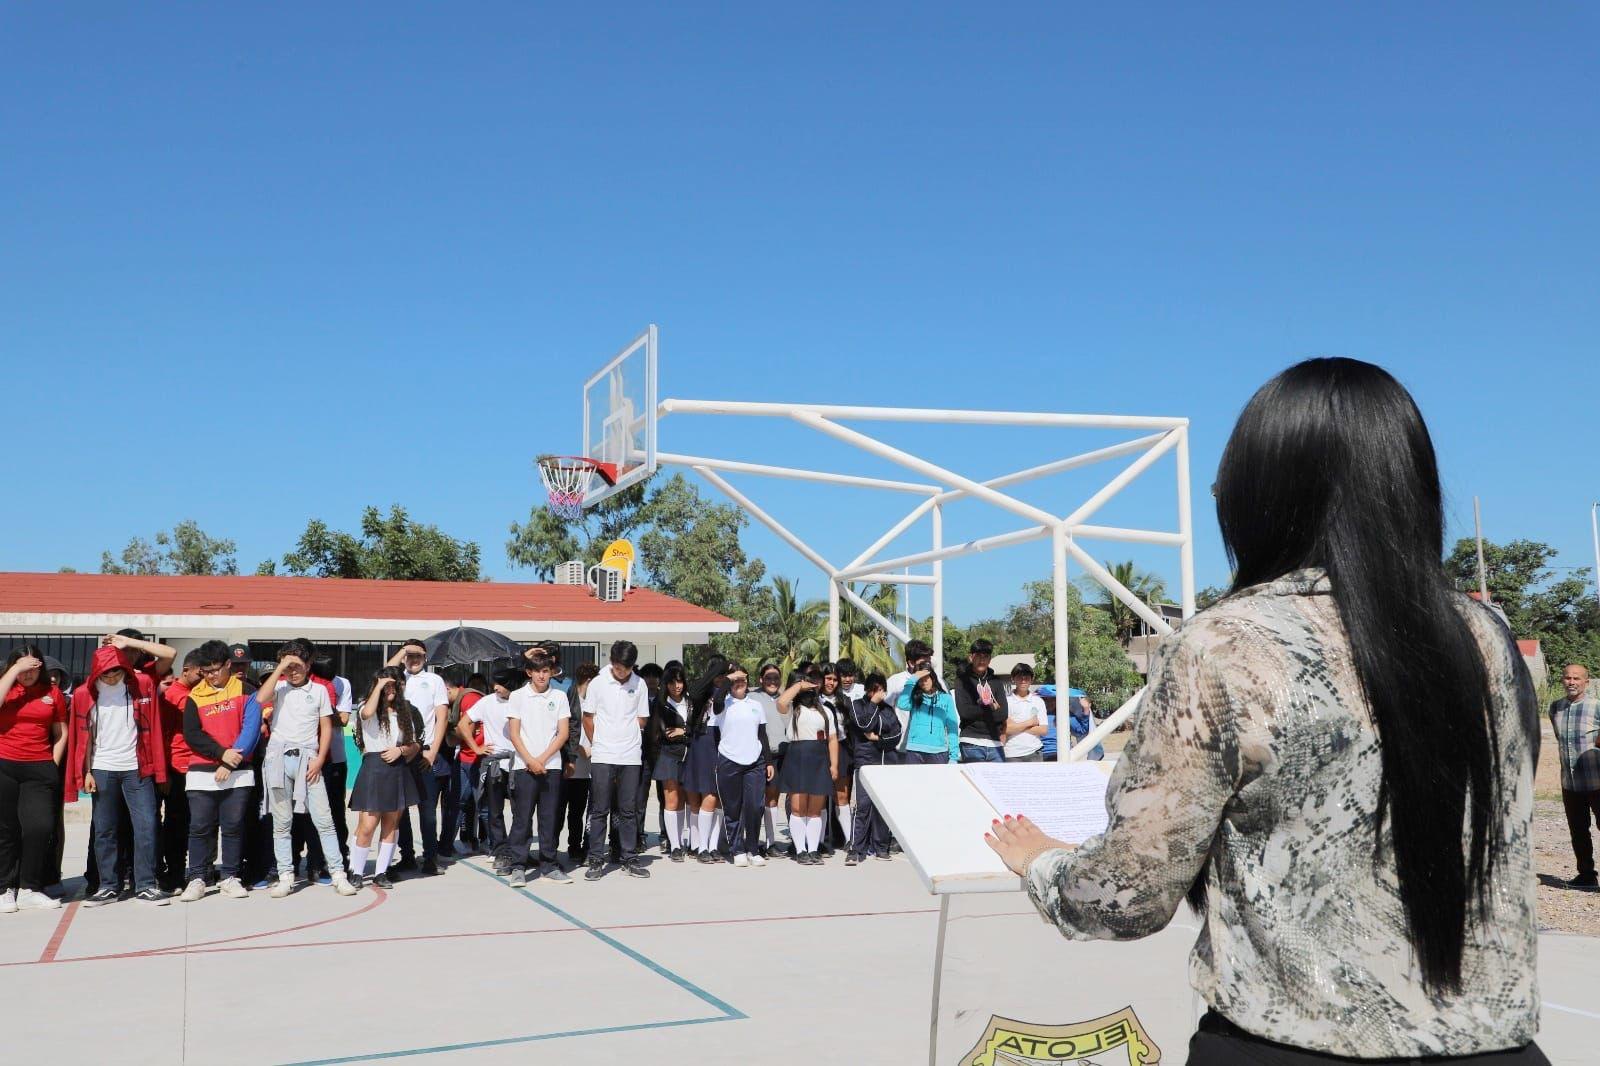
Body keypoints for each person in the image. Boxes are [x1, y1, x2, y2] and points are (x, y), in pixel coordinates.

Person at [987, 358, 1547, 1064]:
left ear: (1265, 492)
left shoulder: (1227, 644)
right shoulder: (1489, 639)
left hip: (1292, 1046)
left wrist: (1040, 861)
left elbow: (1125, 896)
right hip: (1497, 1046)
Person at [66, 643, 168, 906]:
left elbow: (168, 657)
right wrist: (86, 770)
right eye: (105, 674)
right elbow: (82, 737)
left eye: (116, 673)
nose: (111, 678)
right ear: (96, 673)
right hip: (102, 767)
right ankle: (108, 886)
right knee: (104, 830)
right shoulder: (83, 693)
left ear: (125, 668)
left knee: (146, 825)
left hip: (137, 767)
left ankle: (145, 884)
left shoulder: (141, 684)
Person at [255, 642, 356, 898]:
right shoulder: (278, 688)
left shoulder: (320, 691)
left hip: (308, 759)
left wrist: (321, 759)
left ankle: (338, 873)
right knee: (282, 822)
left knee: (324, 819)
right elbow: (259, 698)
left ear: (308, 665)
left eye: (298, 666)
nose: (293, 671)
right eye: (289, 666)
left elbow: (325, 727)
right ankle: (286, 875)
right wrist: (280, 667)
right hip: (278, 757)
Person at [177, 640, 264, 903]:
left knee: (233, 826)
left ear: (228, 665)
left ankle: (229, 876)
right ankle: (197, 878)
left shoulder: (247, 691)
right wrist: (220, 754)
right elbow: (192, 734)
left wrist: (230, 762)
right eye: (207, 671)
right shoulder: (194, 696)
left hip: (238, 772)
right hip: (201, 773)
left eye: (216, 669)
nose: (212, 676)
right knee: (200, 827)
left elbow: (250, 730)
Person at [0, 646, 67, 912]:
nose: (27, 675)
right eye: (22, 669)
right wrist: (14, 669)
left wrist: (53, 763)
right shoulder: (8, 688)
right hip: (4, 765)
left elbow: (61, 732)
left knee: (40, 827)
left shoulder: (52, 694)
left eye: (32, 669)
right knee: (6, 829)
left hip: (39, 767)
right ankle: (4, 888)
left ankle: (29, 888)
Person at [348, 668, 423, 890]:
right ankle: (357, 870)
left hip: (397, 768)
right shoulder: (366, 707)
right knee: (368, 824)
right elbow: (367, 713)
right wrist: (380, 685)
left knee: (391, 824)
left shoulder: (404, 713)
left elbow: (413, 743)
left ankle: (382, 872)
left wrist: (401, 750)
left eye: (395, 685)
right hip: (374, 767)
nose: (391, 689)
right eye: (385, 685)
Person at [583, 640, 651, 881]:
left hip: (631, 755)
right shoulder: (599, 683)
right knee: (600, 809)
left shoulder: (639, 684)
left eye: (627, 668)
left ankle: (629, 857)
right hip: (603, 755)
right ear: (612, 662)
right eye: (619, 667)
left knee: (628, 810)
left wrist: (627, 732)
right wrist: (598, 742)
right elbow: (587, 716)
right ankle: (595, 859)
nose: (622, 672)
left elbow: (642, 718)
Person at [505, 654, 571, 886]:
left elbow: (563, 733)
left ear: (552, 672)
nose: (542, 675)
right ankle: (518, 867)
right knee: (522, 819)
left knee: (549, 818)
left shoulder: (560, 696)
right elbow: (514, 733)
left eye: (546, 671)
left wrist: (542, 758)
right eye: (538, 671)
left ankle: (549, 865)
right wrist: (530, 760)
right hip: (525, 767)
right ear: (529, 672)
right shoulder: (517, 696)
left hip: (551, 766)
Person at [387, 639, 449, 877]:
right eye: (409, 655)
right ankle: (407, 856)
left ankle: (430, 858)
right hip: (399, 752)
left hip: (424, 752)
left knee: (427, 810)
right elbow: (383, 674)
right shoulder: (396, 679)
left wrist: (433, 750)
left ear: (425, 658)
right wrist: (403, 651)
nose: (413, 660)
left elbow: (441, 717)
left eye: (418, 656)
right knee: (399, 809)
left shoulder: (434, 680)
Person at [712, 662, 773, 868]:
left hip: (754, 762)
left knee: (755, 806)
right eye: (735, 680)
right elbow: (717, 700)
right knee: (733, 808)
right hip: (729, 760)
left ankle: (753, 849)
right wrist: (730, 677)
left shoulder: (756, 705)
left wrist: (769, 762)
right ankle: (737, 849)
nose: (740, 683)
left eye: (743, 680)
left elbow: (762, 735)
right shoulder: (722, 703)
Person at [459, 668, 518, 870]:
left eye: (501, 683)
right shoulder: (487, 701)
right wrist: (476, 748)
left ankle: (518, 851)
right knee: (494, 811)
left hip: (519, 763)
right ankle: (500, 851)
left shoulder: (521, 700)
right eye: (495, 683)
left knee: (521, 812)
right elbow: (463, 723)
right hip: (494, 764)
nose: (495, 687)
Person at [779, 668, 838, 865]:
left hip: (820, 758)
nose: (809, 688)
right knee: (797, 807)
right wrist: (798, 685)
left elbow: (832, 739)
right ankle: (801, 849)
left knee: (815, 809)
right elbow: (781, 702)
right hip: (797, 756)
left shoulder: (826, 710)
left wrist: (834, 765)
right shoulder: (793, 710)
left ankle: (813, 850)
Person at [156, 651, 204, 891]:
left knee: (188, 823)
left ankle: (181, 871)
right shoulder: (172, 695)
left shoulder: (197, 694)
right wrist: (163, 772)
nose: (204, 676)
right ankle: (172, 874)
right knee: (175, 824)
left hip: (194, 766)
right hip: (176, 768)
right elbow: (161, 735)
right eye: (200, 672)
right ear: (186, 670)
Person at [1549, 663, 1599, 888]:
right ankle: (1586, 875)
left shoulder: (1597, 707)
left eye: (1577, 678)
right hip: (1569, 782)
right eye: (1568, 677)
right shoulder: (1555, 708)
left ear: (1586, 682)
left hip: (1597, 781)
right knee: (1578, 830)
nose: (1571, 682)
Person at [844, 672, 902, 865]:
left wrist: (878, 739)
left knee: (882, 808)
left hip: (886, 762)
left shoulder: (888, 710)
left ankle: (881, 847)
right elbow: (864, 724)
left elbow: (896, 735)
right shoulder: (856, 705)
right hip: (866, 762)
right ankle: (856, 849)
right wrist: (873, 704)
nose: (879, 693)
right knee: (863, 806)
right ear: (868, 690)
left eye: (882, 689)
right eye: (875, 690)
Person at [307, 654, 352, 876]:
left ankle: (340, 856)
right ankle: (313, 860)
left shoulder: (341, 684)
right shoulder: (307, 684)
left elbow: (343, 719)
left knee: (336, 811)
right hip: (311, 755)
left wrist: (323, 709)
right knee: (309, 813)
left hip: (335, 757)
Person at [681, 658, 727, 863]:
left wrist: (728, 682)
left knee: (716, 796)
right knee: (699, 796)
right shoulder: (701, 691)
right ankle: (699, 845)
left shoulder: (730, 690)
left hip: (724, 742)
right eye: (717, 673)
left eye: (723, 674)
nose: (721, 678)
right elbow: (696, 691)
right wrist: (721, 673)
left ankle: (711, 845)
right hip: (702, 741)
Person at [556, 664, 599, 864]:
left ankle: (582, 847)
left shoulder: (598, 704)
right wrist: (581, 751)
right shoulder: (570, 701)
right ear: (589, 681)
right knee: (565, 811)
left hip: (591, 768)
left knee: (585, 812)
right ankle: (561, 848)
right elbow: (567, 733)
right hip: (571, 766)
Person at [648, 665, 692, 861]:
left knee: (683, 800)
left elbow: (697, 726)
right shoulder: (660, 704)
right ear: (666, 684)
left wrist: (684, 731)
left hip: (689, 755)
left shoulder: (691, 702)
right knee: (671, 801)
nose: (677, 686)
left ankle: (682, 842)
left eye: (680, 681)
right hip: (668, 754)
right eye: (672, 682)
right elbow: (659, 733)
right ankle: (674, 845)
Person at [817, 663, 854, 853]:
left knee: (842, 796)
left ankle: (850, 840)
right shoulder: (813, 700)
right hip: (818, 750)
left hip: (841, 749)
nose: (831, 682)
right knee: (820, 797)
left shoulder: (845, 701)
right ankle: (819, 842)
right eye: (828, 678)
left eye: (834, 679)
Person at [952, 638, 1008, 764]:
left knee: (997, 782)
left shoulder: (997, 682)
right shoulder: (961, 681)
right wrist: (990, 707)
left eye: (986, 656)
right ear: (971, 657)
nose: (982, 660)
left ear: (990, 659)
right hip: (971, 742)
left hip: (996, 743)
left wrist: (978, 708)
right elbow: (965, 712)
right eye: (978, 656)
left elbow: (1003, 714)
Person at [752, 662, 787, 857]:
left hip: (781, 756)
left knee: (773, 799)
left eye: (776, 678)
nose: (772, 681)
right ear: (761, 679)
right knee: (755, 800)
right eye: (768, 678)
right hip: (758, 756)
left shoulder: (785, 698)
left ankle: (771, 842)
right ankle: (752, 842)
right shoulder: (752, 697)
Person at [452, 673, 489, 855]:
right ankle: (467, 839)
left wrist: (474, 746)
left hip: (478, 759)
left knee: (482, 805)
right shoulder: (468, 700)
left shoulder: (472, 699)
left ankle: (489, 842)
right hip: (467, 757)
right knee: (465, 803)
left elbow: (464, 727)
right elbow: (464, 727)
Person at [896, 664, 960, 765]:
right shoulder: (915, 697)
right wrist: (912, 680)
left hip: (939, 752)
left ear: (933, 678)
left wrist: (954, 757)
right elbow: (901, 704)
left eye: (926, 678)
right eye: (920, 679)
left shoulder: (946, 698)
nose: (923, 682)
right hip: (914, 750)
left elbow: (952, 727)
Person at [1002, 664, 1048, 763]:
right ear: (1013, 679)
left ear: (1031, 680)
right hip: (1012, 753)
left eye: (1026, 678)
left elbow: (1043, 730)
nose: (1023, 681)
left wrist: (1016, 726)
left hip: (1034, 752)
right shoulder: (1006, 701)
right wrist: (1030, 722)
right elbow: (1005, 729)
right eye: (1019, 677)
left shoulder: (1038, 701)